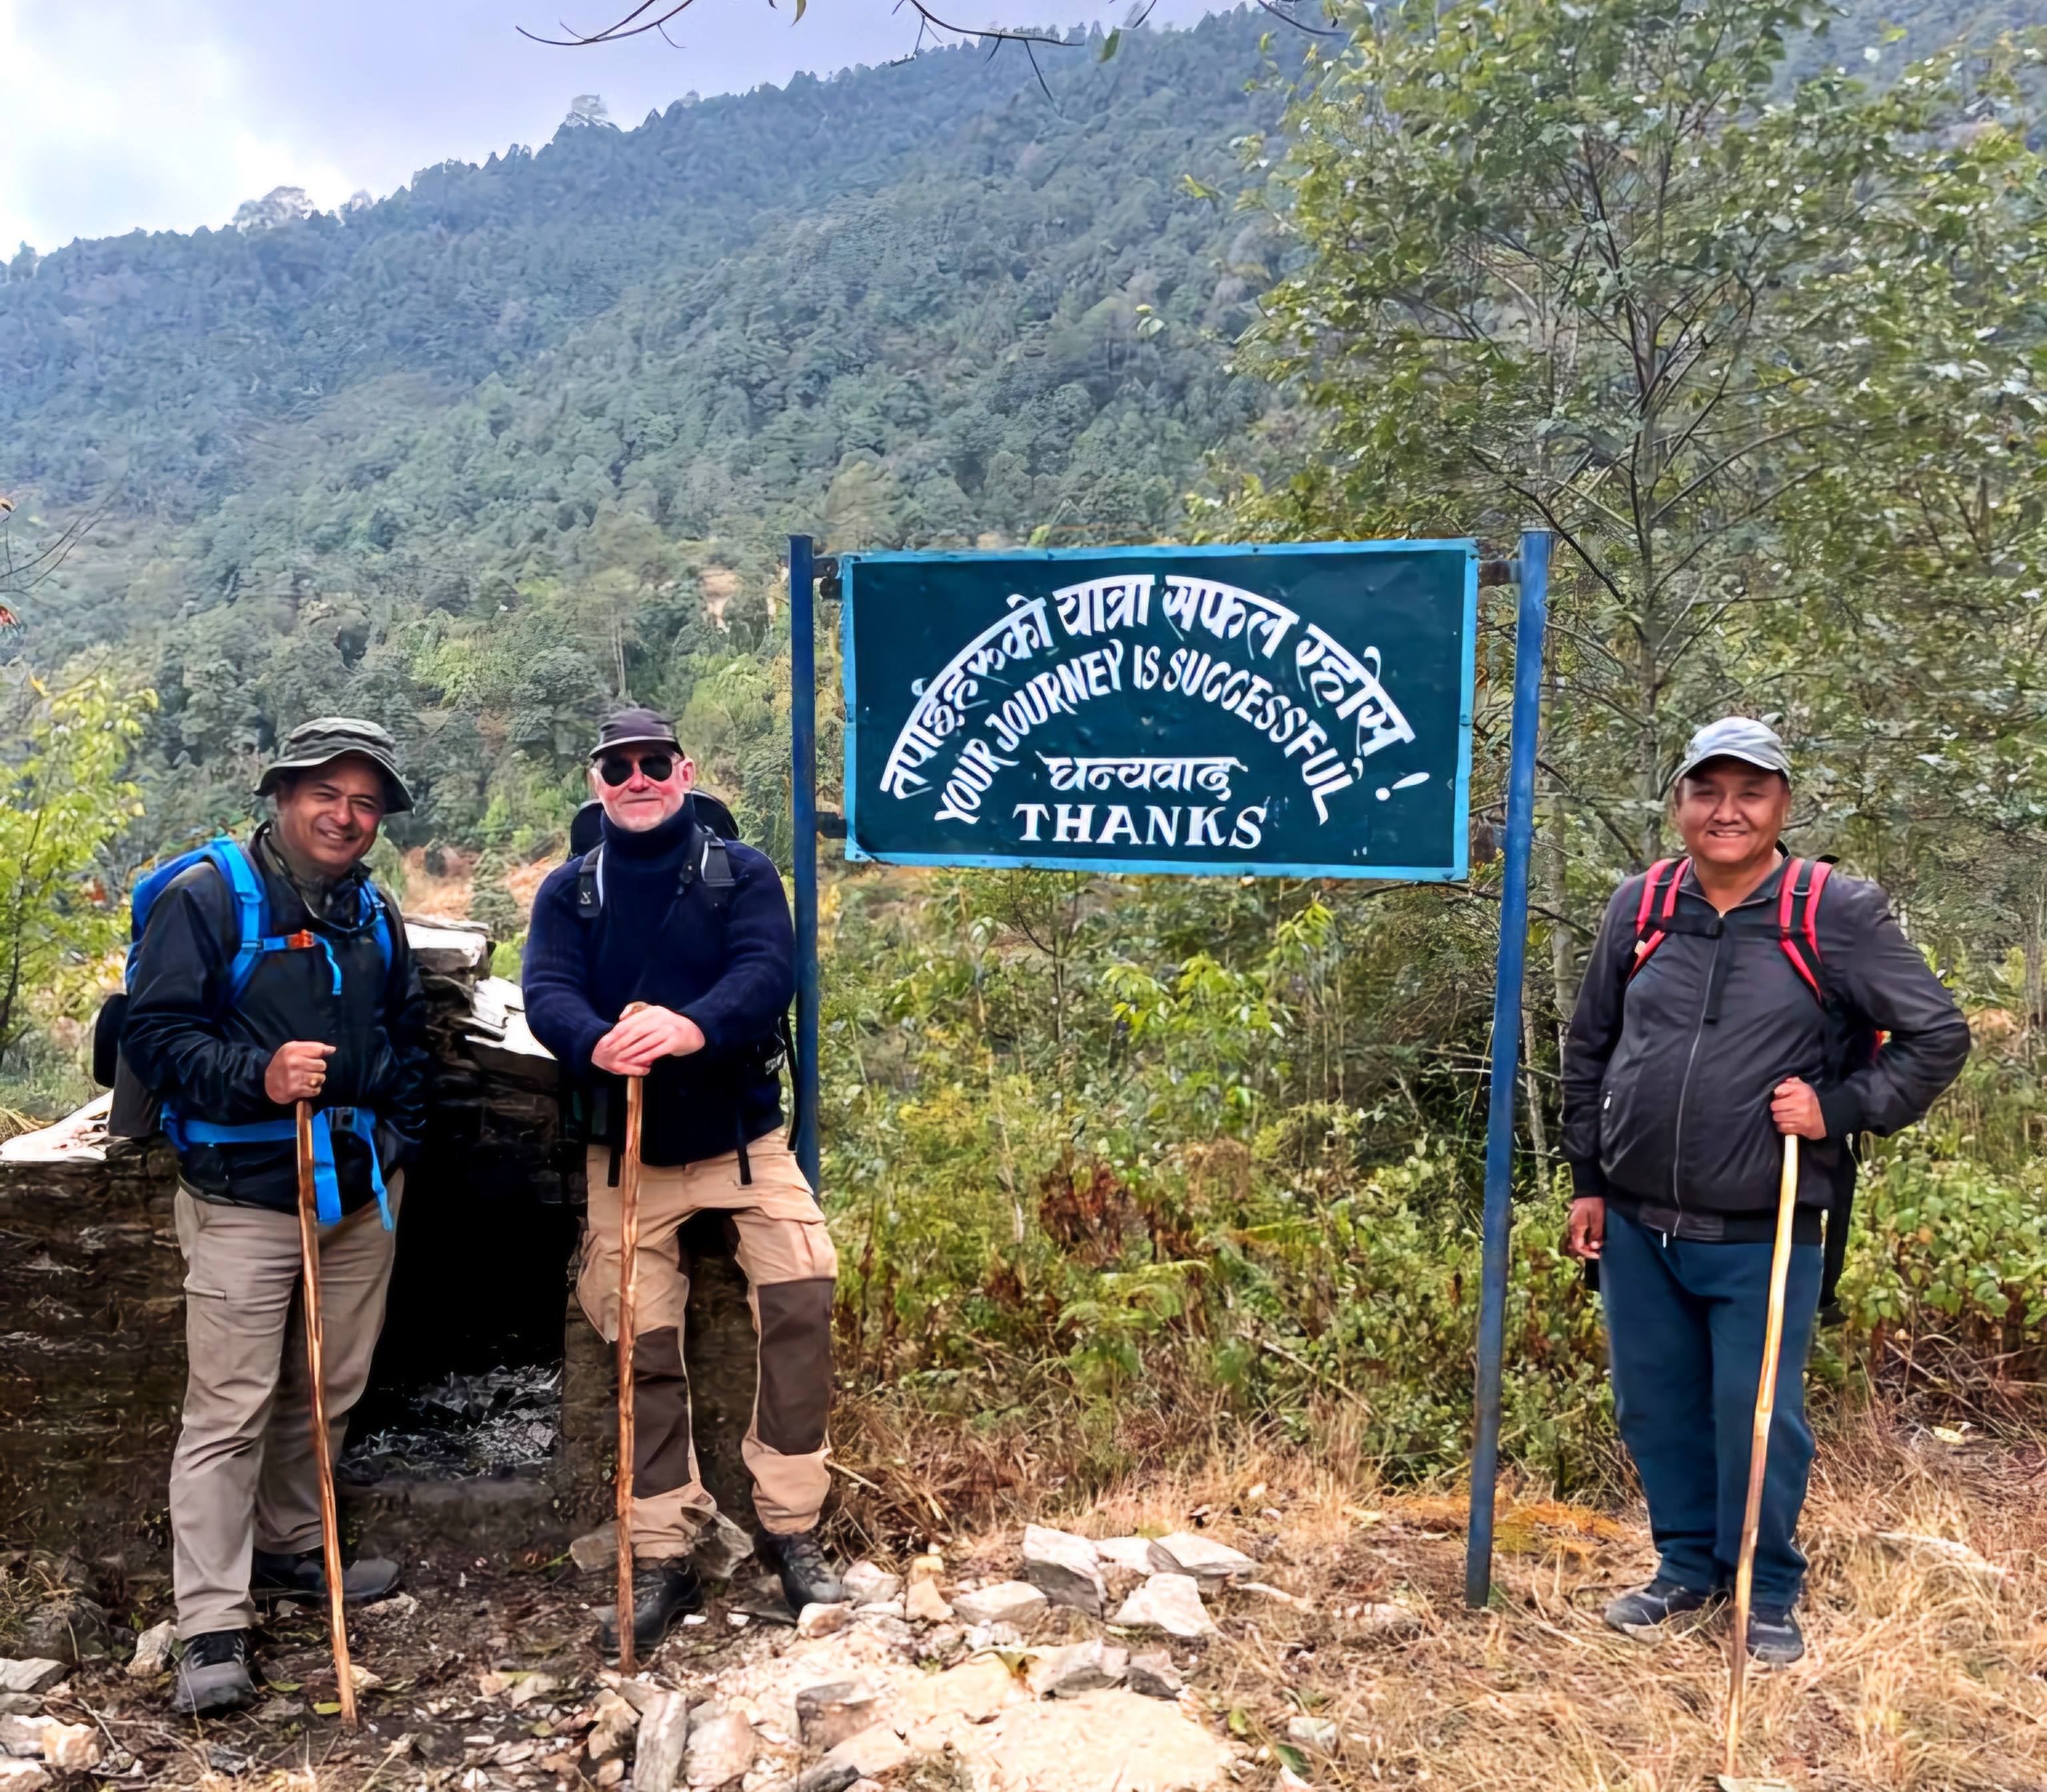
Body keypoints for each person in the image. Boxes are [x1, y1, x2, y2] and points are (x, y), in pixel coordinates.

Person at [1562, 717, 1968, 1665]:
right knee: (1653, 1406)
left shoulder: (1835, 910)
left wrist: (1840, 1106)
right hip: (1635, 1222)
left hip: (1766, 1226)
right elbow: (1590, 1047)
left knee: (1758, 1416)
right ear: (1679, 804)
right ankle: (1685, 1568)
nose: (1727, 811)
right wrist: (1588, 1180)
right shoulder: (1641, 905)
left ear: (1784, 804)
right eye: (1708, 791)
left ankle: (1768, 1588)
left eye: (1751, 792)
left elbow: (1937, 1035)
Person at [121, 718, 428, 1715]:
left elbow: (408, 1035)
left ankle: (296, 1545)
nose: (345, 816)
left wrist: (398, 1143)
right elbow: (155, 1032)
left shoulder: (372, 912)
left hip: (354, 1190)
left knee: (329, 1383)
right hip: (243, 1197)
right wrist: (258, 1074)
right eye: (327, 794)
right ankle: (211, 1619)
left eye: (366, 802)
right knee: (229, 1408)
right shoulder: (206, 899)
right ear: (282, 794)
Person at [523, 706, 844, 1655]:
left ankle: (791, 1525)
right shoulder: (569, 891)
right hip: (629, 1153)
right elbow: (546, 992)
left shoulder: (740, 875)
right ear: (596, 782)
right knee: (638, 1329)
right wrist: (598, 1040)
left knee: (801, 1288)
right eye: (617, 767)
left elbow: (766, 972)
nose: (637, 778)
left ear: (684, 768)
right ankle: (665, 1543)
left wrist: (692, 1027)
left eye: (652, 762)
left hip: (743, 1142)